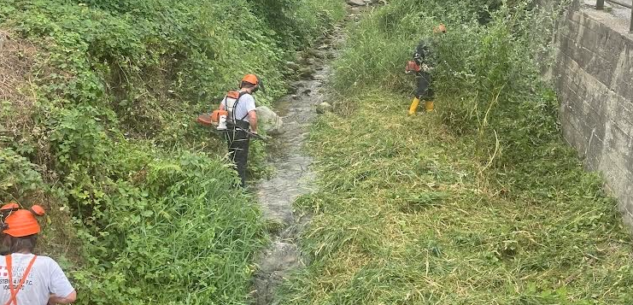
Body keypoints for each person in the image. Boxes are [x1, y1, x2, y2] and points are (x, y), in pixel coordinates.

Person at [0, 203, 76, 305]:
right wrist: (49, 298)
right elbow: (70, 296)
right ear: (34, 238)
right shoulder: (47, 264)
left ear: (8, 238)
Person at [219, 74, 261, 188]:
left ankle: (233, 184)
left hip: (228, 130)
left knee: (232, 158)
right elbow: (252, 116)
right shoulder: (248, 98)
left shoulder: (230, 95)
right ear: (254, 86)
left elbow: (221, 110)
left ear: (241, 83)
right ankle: (240, 189)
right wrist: (254, 130)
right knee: (240, 161)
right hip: (241, 133)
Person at [406, 23, 446, 115]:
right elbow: (417, 55)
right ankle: (412, 111)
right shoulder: (425, 42)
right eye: (440, 33)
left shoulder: (442, 45)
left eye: (443, 33)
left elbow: (442, 59)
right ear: (435, 33)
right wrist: (420, 65)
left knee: (431, 90)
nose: (441, 36)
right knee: (422, 89)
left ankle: (429, 109)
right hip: (423, 70)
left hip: (434, 70)